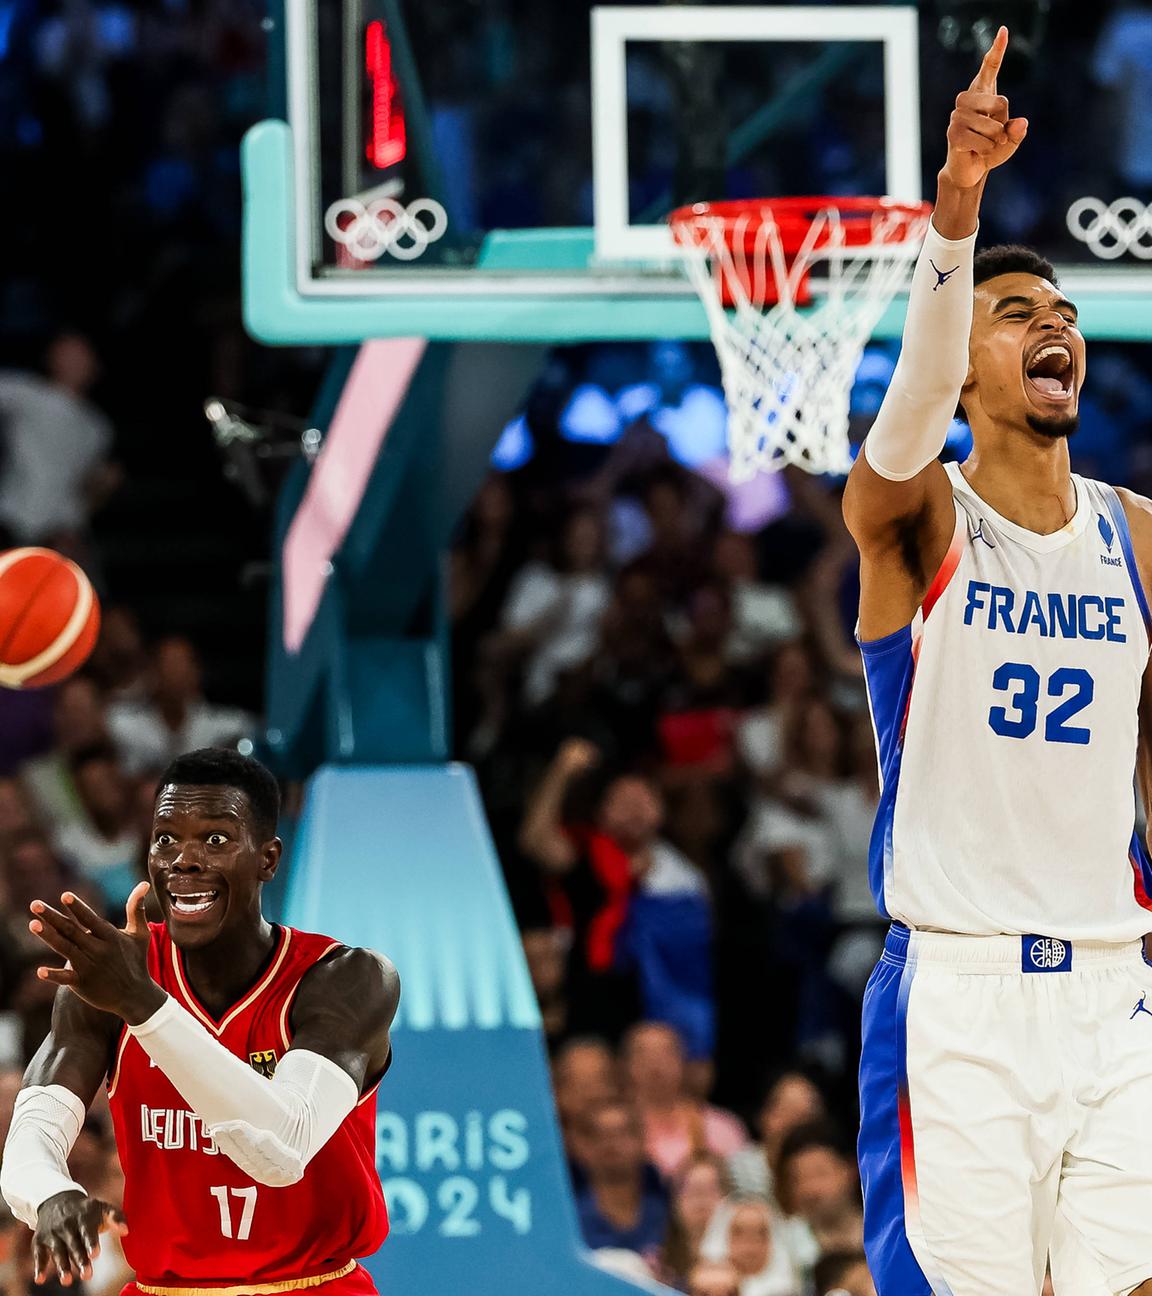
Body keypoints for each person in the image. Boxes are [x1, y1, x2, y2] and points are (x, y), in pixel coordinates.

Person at [842, 26, 1152, 1295]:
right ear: (964, 361)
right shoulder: (915, 522)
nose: (1055, 327)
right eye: (1017, 314)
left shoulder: (1136, 533)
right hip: (959, 996)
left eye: (1066, 314)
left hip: (1117, 986)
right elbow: (907, 408)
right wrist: (956, 212)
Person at [0, 748, 399, 1296]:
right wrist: (48, 1192)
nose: (183, 859)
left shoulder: (347, 978)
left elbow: (283, 1147)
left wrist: (144, 1007)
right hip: (164, 1287)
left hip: (311, 1285)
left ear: (268, 859)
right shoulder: (110, 976)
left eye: (215, 839)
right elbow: (32, 1135)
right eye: (166, 838)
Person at [622, 1022, 747, 1180]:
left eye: (666, 1053)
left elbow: (740, 1195)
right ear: (626, 1065)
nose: (655, 1064)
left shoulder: (723, 1128)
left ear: (683, 1061)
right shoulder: (615, 1131)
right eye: (643, 1054)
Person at [572, 1099, 668, 1262]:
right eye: (600, 1136)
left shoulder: (670, 1207)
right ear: (582, 1146)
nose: (611, 1144)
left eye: (621, 1134)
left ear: (642, 1140)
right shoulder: (569, 1213)